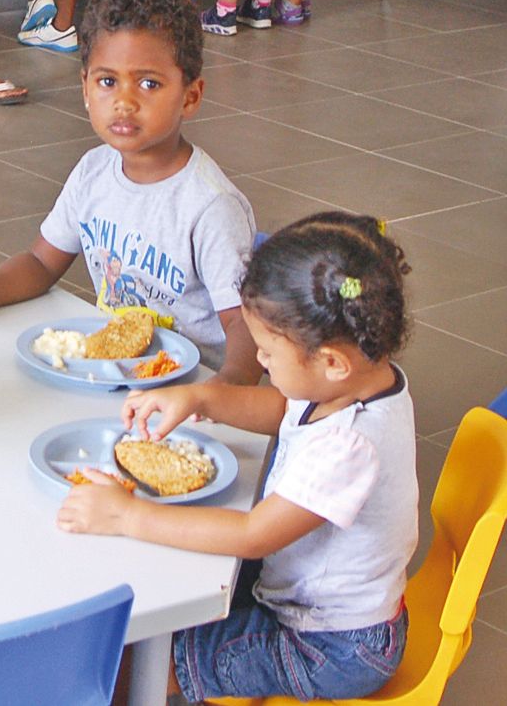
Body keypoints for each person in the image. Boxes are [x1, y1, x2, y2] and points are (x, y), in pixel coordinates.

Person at [57, 214, 417, 703]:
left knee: (144, 658)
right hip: (305, 595)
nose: (261, 363)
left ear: (332, 363)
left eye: (267, 352)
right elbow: (283, 410)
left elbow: (253, 536)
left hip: (326, 646)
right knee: (177, 579)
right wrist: (202, 398)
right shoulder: (362, 377)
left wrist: (127, 515)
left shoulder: (350, 446)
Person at [0, 0, 261, 380]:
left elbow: (246, 328)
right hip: (117, 370)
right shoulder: (93, 172)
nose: (124, 101)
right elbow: (39, 263)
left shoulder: (210, 206)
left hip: (191, 384)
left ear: (190, 96)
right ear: (85, 88)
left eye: (149, 84)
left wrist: (220, 393)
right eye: (107, 82)